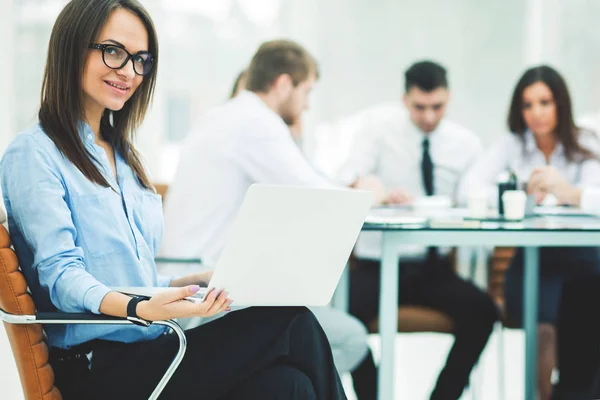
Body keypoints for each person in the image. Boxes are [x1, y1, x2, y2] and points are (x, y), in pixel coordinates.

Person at [0, 1, 347, 399]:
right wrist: (139, 309)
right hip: (98, 367)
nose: (129, 72)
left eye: (141, 60)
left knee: (290, 386)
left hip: (151, 350)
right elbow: (62, 279)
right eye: (113, 52)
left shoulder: (123, 157)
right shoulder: (34, 154)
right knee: (292, 322)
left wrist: (185, 285)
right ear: (71, 48)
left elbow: (130, 278)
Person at [159, 40, 376, 399]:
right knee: (349, 337)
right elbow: (320, 198)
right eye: (307, 91)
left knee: (297, 374)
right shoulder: (255, 123)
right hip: (209, 297)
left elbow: (302, 185)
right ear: (283, 84)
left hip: (197, 285)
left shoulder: (225, 116)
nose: (307, 104)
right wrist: (372, 193)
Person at [337, 60, 498, 400]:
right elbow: (346, 181)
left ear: (449, 99)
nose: (428, 116)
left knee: (483, 312)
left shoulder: (465, 144)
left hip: (432, 270)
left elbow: (477, 199)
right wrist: (374, 189)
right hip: (375, 268)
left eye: (437, 107)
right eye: (419, 107)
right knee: (334, 325)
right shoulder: (377, 133)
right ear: (404, 99)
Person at [459, 65, 600, 400]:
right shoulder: (512, 146)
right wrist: (517, 193)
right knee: (543, 326)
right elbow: (468, 190)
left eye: (544, 102)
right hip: (535, 261)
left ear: (561, 104)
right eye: (527, 105)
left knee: (585, 316)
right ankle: (542, 395)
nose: (536, 113)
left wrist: (570, 193)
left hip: (586, 263)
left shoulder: (585, 141)